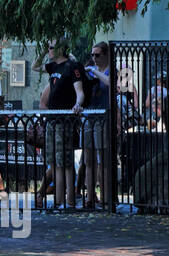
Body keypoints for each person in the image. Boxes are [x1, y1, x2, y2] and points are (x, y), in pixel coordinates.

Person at [39, 38, 85, 211]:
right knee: (55, 162)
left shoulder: (72, 66)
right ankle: (58, 201)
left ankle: (70, 200)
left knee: (65, 161)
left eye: (51, 48)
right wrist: (43, 51)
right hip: (52, 119)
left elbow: (79, 91)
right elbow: (36, 67)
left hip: (64, 120)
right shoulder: (53, 67)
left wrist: (77, 104)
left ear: (60, 49)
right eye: (49, 47)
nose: (49, 50)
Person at [79, 41, 114, 210]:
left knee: (104, 159)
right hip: (88, 116)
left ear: (106, 54)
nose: (94, 58)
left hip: (102, 117)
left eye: (97, 55)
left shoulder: (109, 70)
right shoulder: (89, 71)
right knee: (88, 159)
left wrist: (94, 72)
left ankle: (107, 197)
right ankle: (90, 196)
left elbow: (111, 83)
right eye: (92, 55)